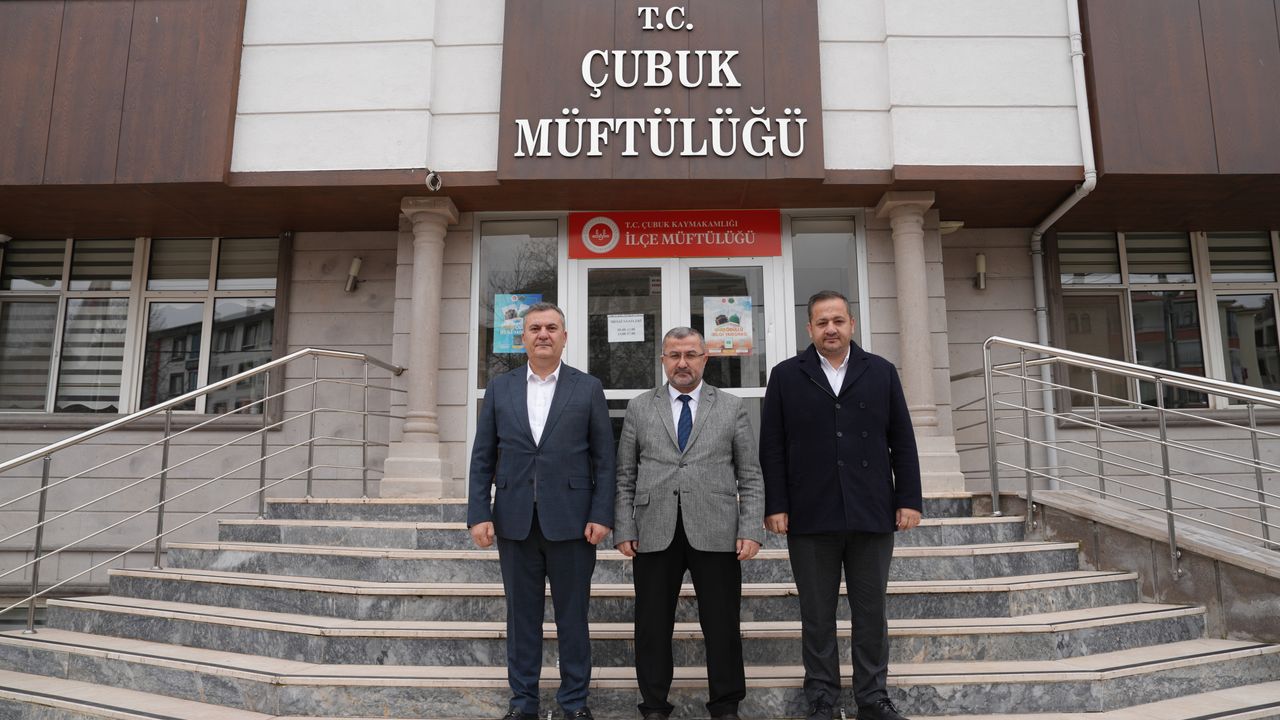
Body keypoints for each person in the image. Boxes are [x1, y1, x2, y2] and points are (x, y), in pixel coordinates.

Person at [759, 290, 922, 720]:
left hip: (872, 511)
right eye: (821, 322)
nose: (830, 329)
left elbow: (902, 439)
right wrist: (776, 504)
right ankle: (822, 699)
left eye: (837, 321)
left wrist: (908, 498)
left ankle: (873, 697)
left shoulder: (881, 372)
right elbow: (771, 446)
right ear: (809, 328)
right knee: (816, 615)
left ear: (852, 323)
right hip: (810, 513)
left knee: (871, 612)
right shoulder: (786, 375)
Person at [467, 302, 616, 720]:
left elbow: (605, 459)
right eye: (535, 328)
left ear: (564, 337)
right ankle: (523, 703)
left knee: (573, 618)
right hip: (514, 521)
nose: (543, 334)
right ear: (524, 338)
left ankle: (575, 702)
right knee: (522, 619)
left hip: (573, 522)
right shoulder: (500, 388)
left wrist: (602, 514)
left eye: (551, 327)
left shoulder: (587, 387)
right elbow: (483, 456)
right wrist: (479, 512)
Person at [614, 326, 766, 720]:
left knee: (722, 624)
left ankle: (725, 706)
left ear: (705, 359)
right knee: (651, 625)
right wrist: (624, 527)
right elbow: (625, 475)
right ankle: (653, 705)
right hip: (653, 529)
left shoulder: (731, 407)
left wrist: (750, 528)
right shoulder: (640, 407)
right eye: (674, 355)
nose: (682, 363)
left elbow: (750, 475)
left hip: (716, 530)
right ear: (663, 360)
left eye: (691, 355)